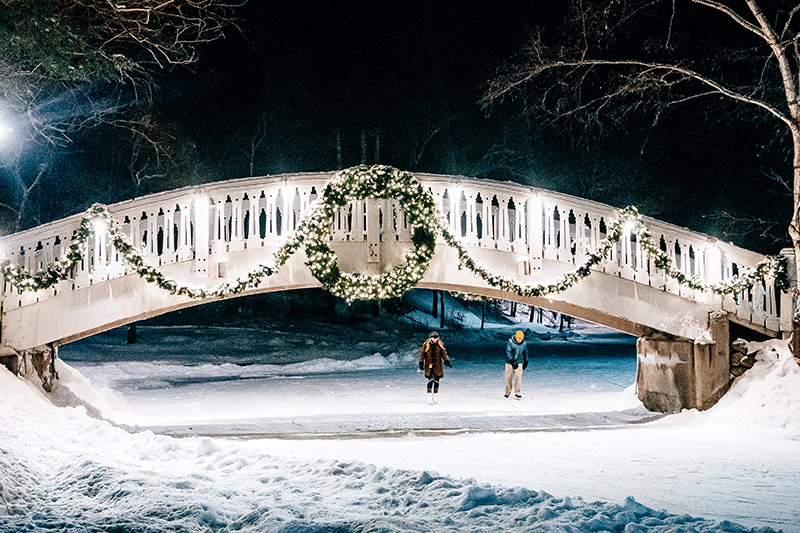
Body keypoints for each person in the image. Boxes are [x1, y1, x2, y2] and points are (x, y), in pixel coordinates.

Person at [419, 331, 451, 404]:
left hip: (438, 365)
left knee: (437, 380)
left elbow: (443, 353)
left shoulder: (440, 344)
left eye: (436, 338)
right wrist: (421, 362)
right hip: (429, 365)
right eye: (433, 338)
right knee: (430, 380)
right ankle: (429, 396)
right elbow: (422, 354)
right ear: (430, 338)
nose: (435, 339)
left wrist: (446, 360)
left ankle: (435, 396)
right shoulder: (426, 344)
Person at [505, 329, 528, 399]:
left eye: (521, 338)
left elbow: (525, 352)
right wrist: (512, 361)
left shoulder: (524, 343)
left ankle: (517, 392)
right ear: (516, 337)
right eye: (518, 338)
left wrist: (526, 361)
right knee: (508, 377)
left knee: (518, 377)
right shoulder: (510, 342)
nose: (519, 340)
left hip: (519, 361)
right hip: (509, 362)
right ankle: (507, 392)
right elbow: (508, 352)